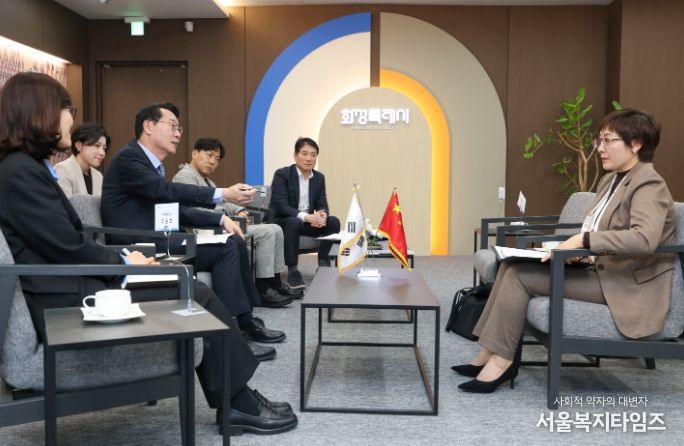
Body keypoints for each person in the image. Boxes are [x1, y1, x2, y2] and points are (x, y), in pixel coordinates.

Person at [0, 72, 297, 435]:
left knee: (194, 287)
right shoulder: (19, 173)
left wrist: (124, 262)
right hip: (66, 296)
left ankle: (238, 398)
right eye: (67, 109)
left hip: (75, 281)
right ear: (39, 111)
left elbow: (64, 240)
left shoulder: (25, 169)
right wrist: (125, 262)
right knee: (195, 292)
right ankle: (238, 403)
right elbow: (66, 245)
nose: (70, 119)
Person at [452, 108, 676, 393]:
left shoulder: (649, 184)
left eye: (608, 140)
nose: (600, 148)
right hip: (598, 271)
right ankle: (490, 352)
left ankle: (502, 362)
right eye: (599, 140)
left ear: (636, 144)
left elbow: (644, 239)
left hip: (624, 284)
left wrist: (584, 241)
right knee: (511, 265)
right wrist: (576, 251)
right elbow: (601, 229)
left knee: (520, 276)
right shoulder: (611, 180)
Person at [100, 102, 288, 361]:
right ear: (148, 126)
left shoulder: (150, 164)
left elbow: (172, 210)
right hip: (138, 246)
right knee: (227, 247)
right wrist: (222, 193)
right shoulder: (129, 159)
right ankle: (234, 334)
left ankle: (245, 322)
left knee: (233, 240)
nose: (178, 133)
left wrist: (220, 219)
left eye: (179, 128)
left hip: (160, 238)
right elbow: (166, 192)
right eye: (172, 126)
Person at [173, 137, 299, 299]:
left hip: (221, 226)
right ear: (194, 153)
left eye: (217, 159)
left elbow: (223, 202)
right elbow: (195, 211)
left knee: (276, 229)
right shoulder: (185, 176)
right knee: (267, 232)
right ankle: (263, 287)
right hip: (206, 230)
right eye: (209, 155)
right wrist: (225, 218)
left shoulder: (207, 180)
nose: (212, 161)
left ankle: (275, 281)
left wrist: (239, 210)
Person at [269, 137, 341, 290]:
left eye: (313, 155)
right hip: (283, 222)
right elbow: (281, 206)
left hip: (306, 222)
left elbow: (322, 203)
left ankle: (324, 265)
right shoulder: (282, 174)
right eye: (305, 154)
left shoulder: (319, 177)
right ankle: (293, 270)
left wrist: (322, 215)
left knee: (334, 222)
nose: (309, 158)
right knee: (294, 221)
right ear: (295, 156)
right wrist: (307, 217)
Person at [54, 122, 109, 197]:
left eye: (104, 148)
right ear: (78, 145)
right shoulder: (62, 170)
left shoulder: (98, 176)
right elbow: (64, 203)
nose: (102, 153)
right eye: (97, 145)